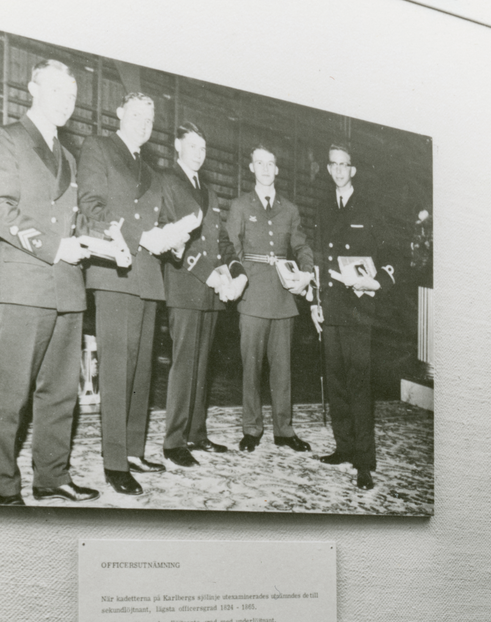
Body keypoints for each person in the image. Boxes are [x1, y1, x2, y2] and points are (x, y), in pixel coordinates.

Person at [0, 59, 98, 506]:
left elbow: (77, 219)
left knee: (61, 393)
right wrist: (54, 247)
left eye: (71, 95)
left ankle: (52, 477)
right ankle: (6, 490)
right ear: (32, 89)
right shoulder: (6, 139)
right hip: (26, 285)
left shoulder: (67, 156)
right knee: (12, 395)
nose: (65, 103)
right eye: (56, 92)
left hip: (68, 287)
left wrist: (107, 241)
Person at [78, 92, 189, 496]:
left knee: (142, 370)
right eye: (137, 115)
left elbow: (160, 219)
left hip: (148, 275)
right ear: (120, 113)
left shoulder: (152, 169)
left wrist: (174, 241)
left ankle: (135, 449)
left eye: (150, 118)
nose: (144, 123)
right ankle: (114, 461)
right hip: (115, 270)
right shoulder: (99, 148)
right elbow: (91, 204)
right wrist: (142, 235)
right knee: (118, 368)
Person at [158, 121, 248, 467]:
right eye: (192, 146)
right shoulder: (167, 181)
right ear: (177, 147)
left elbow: (221, 240)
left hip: (212, 293)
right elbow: (170, 238)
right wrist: (208, 274)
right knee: (184, 365)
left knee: (202, 364)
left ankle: (196, 432)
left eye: (203, 148)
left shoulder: (207, 191)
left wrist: (236, 271)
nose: (199, 153)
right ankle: (174, 441)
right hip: (185, 286)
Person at [310, 144, 396, 489]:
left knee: (360, 386)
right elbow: (317, 259)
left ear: (353, 170)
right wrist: (315, 302)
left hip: (360, 306)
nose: (340, 170)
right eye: (334, 165)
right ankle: (343, 447)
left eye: (345, 165)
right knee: (337, 383)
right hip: (332, 305)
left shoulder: (371, 207)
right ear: (329, 169)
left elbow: (390, 252)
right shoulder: (323, 208)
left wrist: (376, 282)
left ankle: (364, 461)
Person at [225, 144, 314, 453]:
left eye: (270, 163)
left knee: (283, 368)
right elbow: (231, 247)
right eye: (259, 163)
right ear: (251, 167)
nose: (265, 168)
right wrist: (237, 280)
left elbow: (301, 246)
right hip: (251, 293)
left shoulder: (290, 209)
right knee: (250, 367)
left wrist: (306, 272)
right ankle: (251, 429)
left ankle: (284, 430)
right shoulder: (239, 206)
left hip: (282, 295)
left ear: (277, 170)